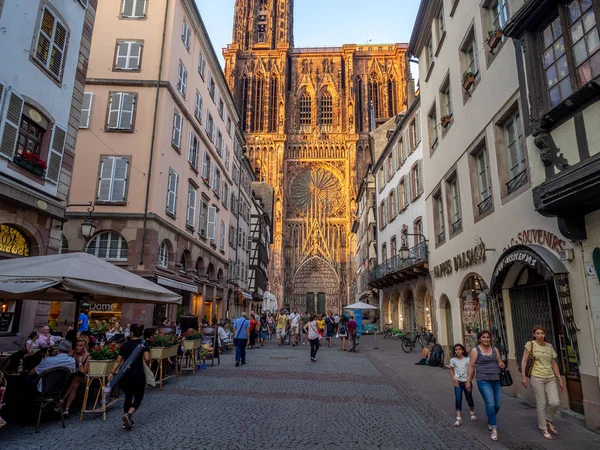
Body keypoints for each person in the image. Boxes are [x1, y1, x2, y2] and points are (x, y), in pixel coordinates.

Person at [520, 325, 565, 440]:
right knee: (541, 404)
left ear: (545, 334)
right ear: (534, 334)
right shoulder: (530, 345)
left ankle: (548, 419)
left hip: (550, 377)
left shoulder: (549, 346)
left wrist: (559, 378)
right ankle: (544, 428)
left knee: (555, 402)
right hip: (537, 377)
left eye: (542, 333)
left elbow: (553, 363)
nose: (540, 335)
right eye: (538, 333)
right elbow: (524, 360)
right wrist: (524, 377)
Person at [108, 323, 150, 430]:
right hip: (138, 374)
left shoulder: (125, 344)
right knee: (139, 396)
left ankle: (126, 420)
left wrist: (112, 373)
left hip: (125, 374)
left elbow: (118, 360)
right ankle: (128, 415)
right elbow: (147, 359)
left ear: (131, 332)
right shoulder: (143, 343)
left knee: (128, 396)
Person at [466, 330, 505, 442]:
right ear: (480, 339)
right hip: (483, 380)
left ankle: (489, 416)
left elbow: (500, 362)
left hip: (496, 379)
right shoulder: (475, 350)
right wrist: (468, 381)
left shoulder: (494, 349)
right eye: (484, 337)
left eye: (488, 337)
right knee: (490, 403)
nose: (486, 339)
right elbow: (472, 367)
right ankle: (493, 428)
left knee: (497, 404)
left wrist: (501, 364)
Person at [60, 339, 90, 416]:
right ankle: (67, 409)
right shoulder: (72, 353)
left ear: (84, 347)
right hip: (72, 377)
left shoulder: (87, 356)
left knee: (76, 378)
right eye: (76, 345)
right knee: (76, 384)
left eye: (80, 346)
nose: (77, 347)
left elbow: (83, 372)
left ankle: (62, 399)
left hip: (85, 378)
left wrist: (80, 362)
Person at [449, 344, 476, 427]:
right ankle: (458, 418)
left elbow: (472, 370)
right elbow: (451, 370)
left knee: (469, 398)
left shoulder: (467, 360)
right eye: (456, 350)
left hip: (467, 382)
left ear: (463, 350)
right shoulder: (453, 360)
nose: (458, 351)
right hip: (458, 382)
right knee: (458, 399)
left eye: (459, 349)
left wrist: (470, 380)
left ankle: (472, 413)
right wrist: (454, 379)